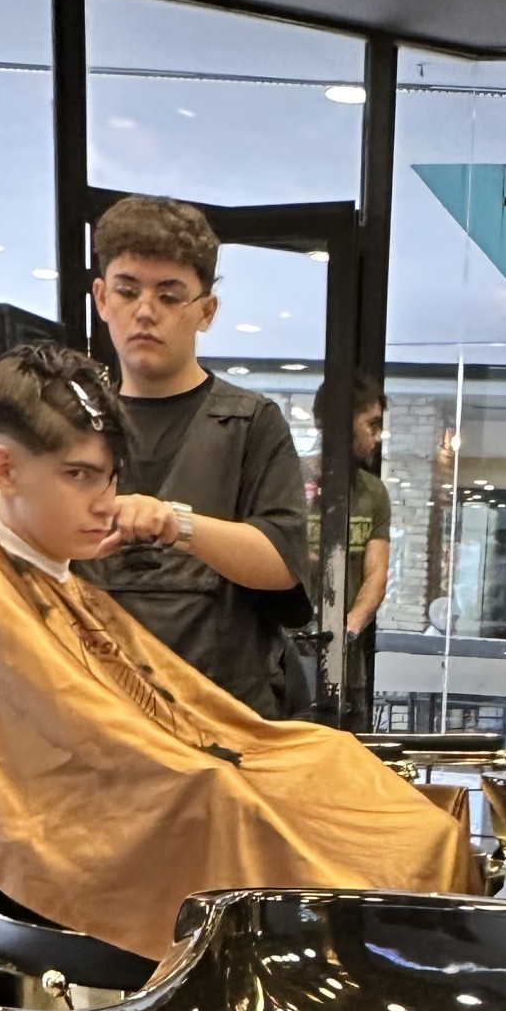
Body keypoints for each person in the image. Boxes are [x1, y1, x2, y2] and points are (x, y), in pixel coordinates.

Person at [0, 345, 478, 963]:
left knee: (335, 760)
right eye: (78, 476)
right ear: (5, 469)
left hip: (167, 773)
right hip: (115, 816)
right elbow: (60, 743)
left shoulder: (57, 578)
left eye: (109, 478)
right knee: (234, 800)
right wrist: (204, 762)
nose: (104, 502)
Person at [77, 196, 312, 716]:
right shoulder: (72, 425)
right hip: (99, 719)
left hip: (226, 723)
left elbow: (283, 564)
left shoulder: (251, 423)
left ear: (206, 311)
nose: (145, 311)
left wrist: (176, 524)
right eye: (128, 290)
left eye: (169, 295)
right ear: (101, 298)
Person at [313, 373, 392, 722]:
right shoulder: (289, 481)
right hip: (286, 660)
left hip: (348, 669)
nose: (377, 436)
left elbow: (376, 573)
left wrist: (347, 629)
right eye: (371, 424)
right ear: (340, 423)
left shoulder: (373, 493)